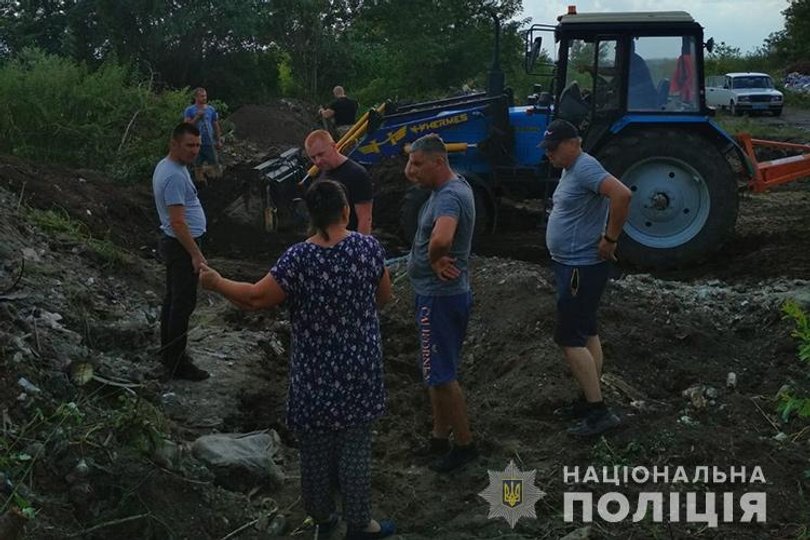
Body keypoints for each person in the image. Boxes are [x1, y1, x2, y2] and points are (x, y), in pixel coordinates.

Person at [199, 180, 395, 540]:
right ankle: (360, 525)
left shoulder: (298, 259)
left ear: (311, 216)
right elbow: (384, 296)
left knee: (315, 450)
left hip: (313, 373)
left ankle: (323, 520)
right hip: (360, 368)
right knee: (355, 448)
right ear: (345, 211)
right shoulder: (368, 248)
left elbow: (255, 298)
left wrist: (216, 282)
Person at [541, 119, 632, 437]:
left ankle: (598, 412)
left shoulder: (585, 167)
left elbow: (622, 195)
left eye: (553, 148)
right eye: (547, 149)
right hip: (573, 265)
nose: (549, 154)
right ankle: (588, 398)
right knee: (587, 332)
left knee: (569, 339)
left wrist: (610, 238)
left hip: (580, 267)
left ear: (573, 143)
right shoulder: (572, 169)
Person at [405, 133, 477, 473]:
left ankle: (464, 445)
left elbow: (443, 237)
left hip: (440, 299)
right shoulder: (445, 189)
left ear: (439, 162)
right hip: (436, 296)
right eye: (409, 162)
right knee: (435, 372)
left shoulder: (449, 196)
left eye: (417, 164)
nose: (411, 171)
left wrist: (434, 259)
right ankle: (439, 437)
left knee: (443, 375)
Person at [152, 122, 210, 381]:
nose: (194, 150)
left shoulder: (171, 166)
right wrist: (195, 254)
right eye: (189, 145)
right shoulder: (174, 176)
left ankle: (168, 352)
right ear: (174, 144)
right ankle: (177, 363)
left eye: (197, 145)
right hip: (181, 246)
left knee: (173, 299)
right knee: (182, 303)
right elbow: (177, 222)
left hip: (175, 243)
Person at [304, 130, 373, 235]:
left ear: (333, 146)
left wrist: (360, 243)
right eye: (313, 157)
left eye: (321, 154)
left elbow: (365, 218)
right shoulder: (319, 176)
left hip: (349, 238)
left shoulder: (356, 174)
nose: (318, 161)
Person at [184, 87, 223, 177]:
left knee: (214, 164)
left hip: (209, 142)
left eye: (205, 96)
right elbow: (186, 126)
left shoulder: (211, 109)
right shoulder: (190, 110)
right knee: (197, 165)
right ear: (196, 97)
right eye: (202, 96)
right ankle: (200, 181)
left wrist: (218, 140)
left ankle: (217, 179)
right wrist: (197, 117)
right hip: (195, 143)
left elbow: (215, 125)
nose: (204, 98)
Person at [627, 40, 657, 110]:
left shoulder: (633, 60)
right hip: (641, 93)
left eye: (618, 47)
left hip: (642, 97)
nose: (615, 49)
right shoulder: (634, 58)